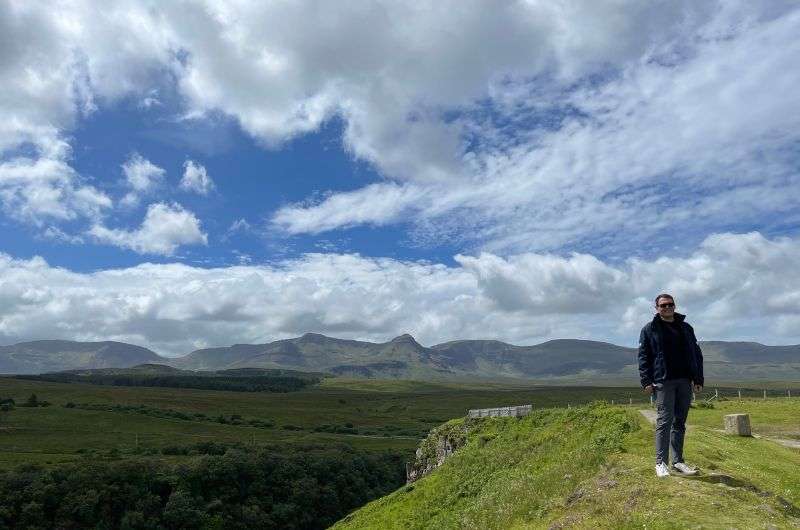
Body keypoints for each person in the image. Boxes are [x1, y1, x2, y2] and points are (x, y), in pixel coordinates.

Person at [638, 293, 704, 477]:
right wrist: (646, 380)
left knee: (679, 422)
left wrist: (698, 379)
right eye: (663, 305)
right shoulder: (649, 329)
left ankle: (678, 461)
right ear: (657, 308)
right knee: (664, 421)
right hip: (662, 381)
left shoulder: (686, 328)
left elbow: (696, 354)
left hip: (684, 380)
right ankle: (660, 463)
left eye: (670, 304)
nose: (667, 308)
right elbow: (643, 357)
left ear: (674, 306)